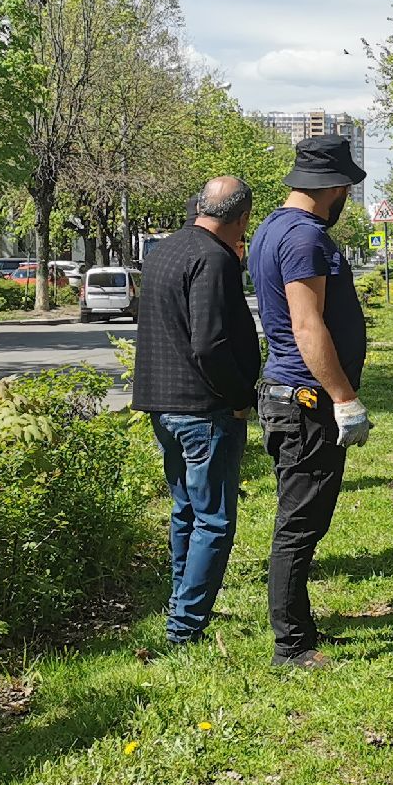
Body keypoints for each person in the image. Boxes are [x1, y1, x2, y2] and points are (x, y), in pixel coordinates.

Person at [250, 135, 370, 669]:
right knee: (299, 523)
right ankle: (292, 646)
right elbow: (305, 323)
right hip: (305, 401)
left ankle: (302, 628)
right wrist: (342, 396)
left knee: (303, 519)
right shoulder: (305, 239)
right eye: (345, 187)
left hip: (290, 397)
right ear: (334, 188)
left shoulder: (273, 228)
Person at [132, 176, 261, 647]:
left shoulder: (164, 251)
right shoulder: (213, 258)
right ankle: (185, 628)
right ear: (242, 218)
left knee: (186, 511)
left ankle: (180, 605)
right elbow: (209, 344)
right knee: (214, 520)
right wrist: (241, 396)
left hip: (162, 406)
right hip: (205, 410)